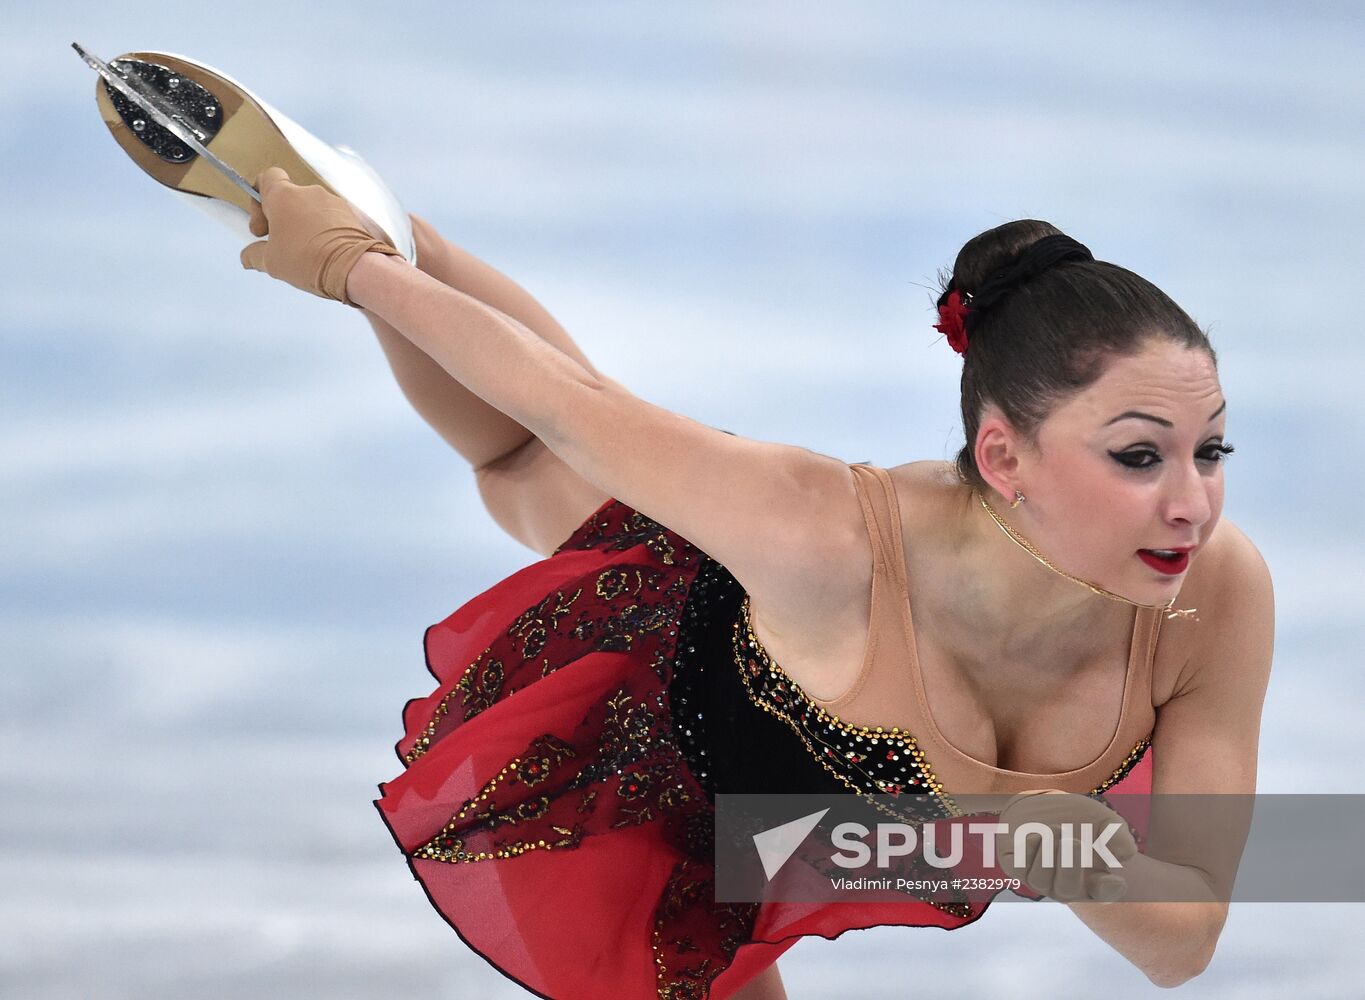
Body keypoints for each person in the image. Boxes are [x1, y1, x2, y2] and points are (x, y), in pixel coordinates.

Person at [236, 168, 1274, 998]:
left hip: (805, 832)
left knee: (546, 446)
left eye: (1211, 450)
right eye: (1141, 457)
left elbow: (1183, 940)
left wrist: (1051, 835)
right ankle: (384, 227)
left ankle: (384, 236)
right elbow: (559, 399)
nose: (1194, 502)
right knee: (524, 464)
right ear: (1003, 459)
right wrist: (351, 269)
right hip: (673, 746)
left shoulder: (1211, 598)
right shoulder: (819, 535)